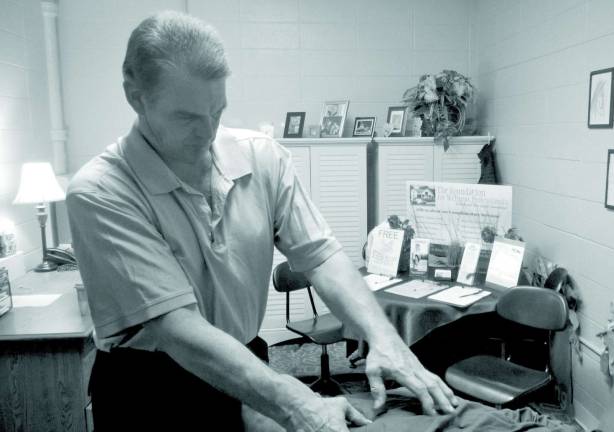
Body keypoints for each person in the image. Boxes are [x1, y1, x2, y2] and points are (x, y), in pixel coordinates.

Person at [66, 11, 457, 432]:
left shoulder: (261, 157)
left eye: (216, 111)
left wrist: (385, 339)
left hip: (245, 361)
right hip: (151, 386)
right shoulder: (100, 192)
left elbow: (321, 256)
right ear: (135, 94)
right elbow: (176, 327)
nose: (207, 131)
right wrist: (297, 402)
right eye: (186, 117)